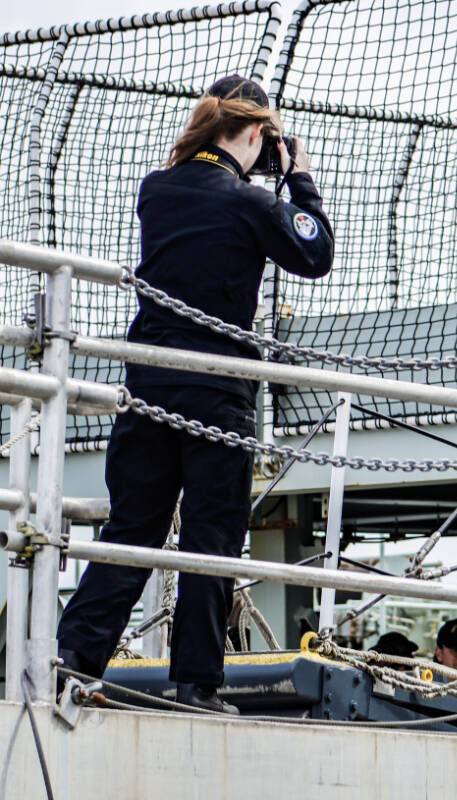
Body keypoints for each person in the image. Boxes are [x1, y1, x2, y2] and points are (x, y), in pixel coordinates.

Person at [55, 75, 334, 713]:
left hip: (148, 381)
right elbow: (316, 252)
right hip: (216, 393)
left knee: (134, 529)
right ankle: (197, 684)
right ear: (261, 134)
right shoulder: (250, 203)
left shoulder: (158, 189)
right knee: (211, 537)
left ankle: (74, 657)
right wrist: (297, 177)